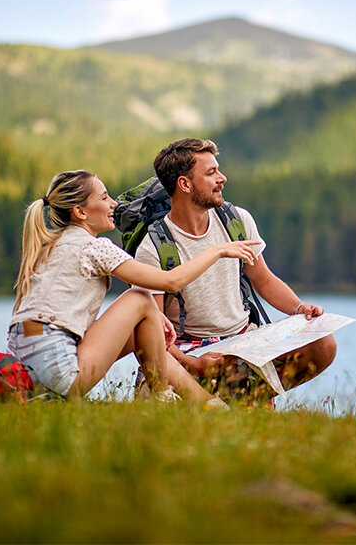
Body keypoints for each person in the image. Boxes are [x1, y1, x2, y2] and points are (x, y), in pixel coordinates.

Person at [8, 169, 259, 403]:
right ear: (80, 212)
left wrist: (151, 320)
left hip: (30, 373)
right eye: (105, 198)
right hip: (62, 373)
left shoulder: (51, 245)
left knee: (143, 318)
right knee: (139, 297)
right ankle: (174, 397)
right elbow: (171, 281)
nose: (114, 204)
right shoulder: (94, 247)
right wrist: (218, 250)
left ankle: (199, 401)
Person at [134, 139, 337, 401]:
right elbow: (151, 331)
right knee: (155, 401)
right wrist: (192, 364)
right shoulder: (154, 246)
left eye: (218, 170)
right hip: (188, 350)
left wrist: (300, 309)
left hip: (244, 341)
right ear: (184, 184)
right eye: (211, 173)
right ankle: (227, 397)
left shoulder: (237, 220)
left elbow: (263, 280)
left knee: (323, 344)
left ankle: (245, 397)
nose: (222, 178)